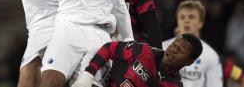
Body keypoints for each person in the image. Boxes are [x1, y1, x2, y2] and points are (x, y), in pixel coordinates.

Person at [72, 33, 203, 87]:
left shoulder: (174, 85)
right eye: (174, 44)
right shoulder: (145, 52)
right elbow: (109, 48)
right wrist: (88, 74)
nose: (173, 49)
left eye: (180, 50)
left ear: (189, 61)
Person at [162, 0, 223, 87]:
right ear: (177, 21)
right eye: (182, 17)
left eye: (191, 17)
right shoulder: (162, 47)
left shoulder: (211, 55)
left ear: (200, 23)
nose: (186, 20)